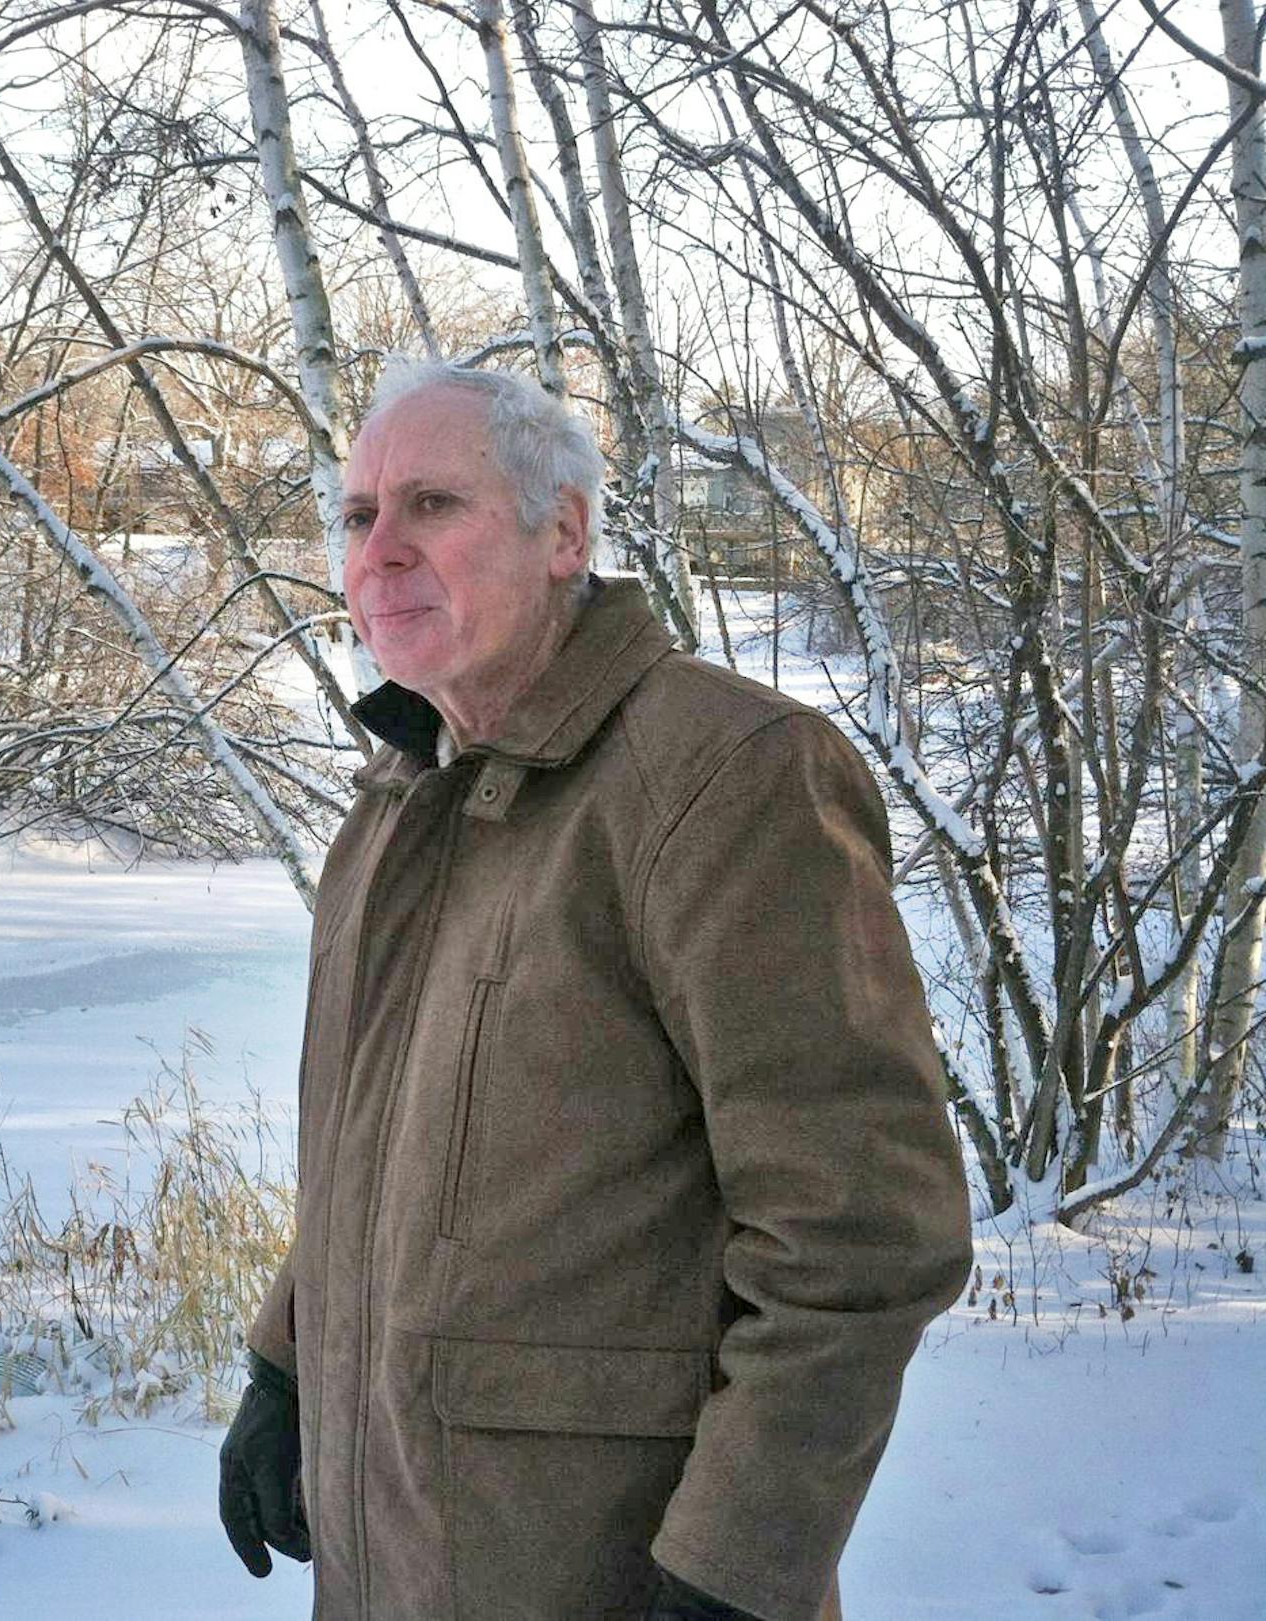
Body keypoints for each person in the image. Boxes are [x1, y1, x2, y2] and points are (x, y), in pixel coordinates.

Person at [217, 363, 972, 1620]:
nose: (381, 552)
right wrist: (287, 1363)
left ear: (563, 532)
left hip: (599, 1568)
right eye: (357, 517)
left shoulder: (727, 780)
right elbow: (372, 1146)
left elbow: (862, 1231)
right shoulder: (398, 802)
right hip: (389, 1550)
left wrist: (738, 1566)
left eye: (432, 505)